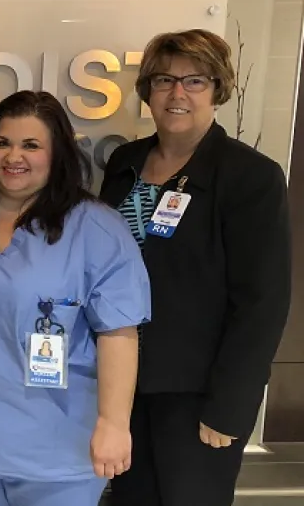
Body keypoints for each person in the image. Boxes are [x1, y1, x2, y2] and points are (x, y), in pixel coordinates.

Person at [0, 90, 151, 506]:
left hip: (59, 453)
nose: (14, 156)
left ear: (58, 154)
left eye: (31, 145)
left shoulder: (97, 230)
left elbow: (119, 331)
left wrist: (114, 423)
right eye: (2, 143)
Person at [99, 29, 291, 506]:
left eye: (194, 81)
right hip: (122, 387)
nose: (177, 93)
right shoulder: (125, 162)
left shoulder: (251, 177)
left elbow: (262, 303)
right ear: (147, 90)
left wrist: (230, 407)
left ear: (218, 88)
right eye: (164, 79)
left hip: (198, 397)